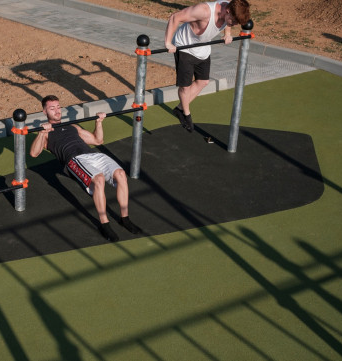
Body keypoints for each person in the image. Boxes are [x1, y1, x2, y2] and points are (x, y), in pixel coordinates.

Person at [30, 95, 141, 242]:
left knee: (121, 174)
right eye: (52, 108)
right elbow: (34, 153)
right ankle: (105, 225)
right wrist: (41, 132)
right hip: (75, 160)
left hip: (93, 155)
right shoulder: (46, 134)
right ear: (45, 112)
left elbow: (97, 140)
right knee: (99, 180)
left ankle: (124, 218)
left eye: (58, 107)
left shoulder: (73, 126)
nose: (57, 111)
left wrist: (99, 122)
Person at [164, 0, 250, 132]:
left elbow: (228, 21)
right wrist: (168, 43)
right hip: (185, 46)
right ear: (227, 11)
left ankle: (179, 109)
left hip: (202, 47)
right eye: (233, 22)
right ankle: (186, 114)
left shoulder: (229, 9)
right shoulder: (203, 11)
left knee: (203, 81)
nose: (233, 24)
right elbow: (175, 17)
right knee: (185, 87)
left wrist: (227, 33)